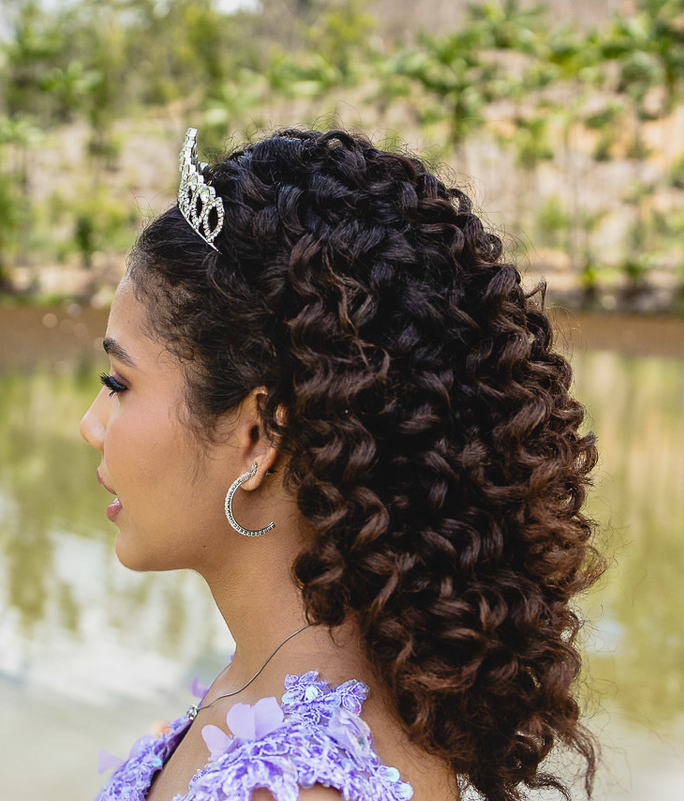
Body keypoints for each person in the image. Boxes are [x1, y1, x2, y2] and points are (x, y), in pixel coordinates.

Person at [80, 127, 603, 801]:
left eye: (119, 383)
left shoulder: (300, 788)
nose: (90, 424)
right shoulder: (280, 681)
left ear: (258, 434)